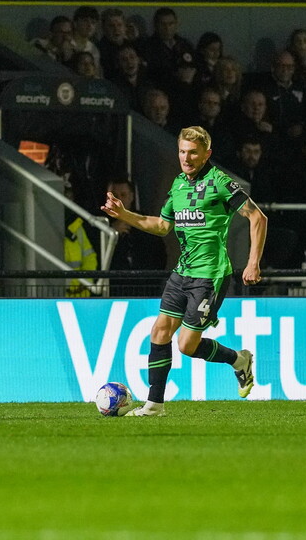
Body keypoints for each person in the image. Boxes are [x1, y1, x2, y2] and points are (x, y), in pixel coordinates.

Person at [100, 125, 266, 416]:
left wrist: (253, 262)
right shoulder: (178, 185)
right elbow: (162, 226)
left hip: (210, 275)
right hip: (182, 272)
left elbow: (257, 217)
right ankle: (154, 405)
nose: (186, 158)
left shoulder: (220, 182)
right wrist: (125, 214)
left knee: (187, 345)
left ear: (207, 154)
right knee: (159, 331)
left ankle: (239, 360)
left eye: (193, 153)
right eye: (182, 152)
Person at [104, 176, 167, 297]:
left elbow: (160, 255)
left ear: (132, 197)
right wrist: (111, 232)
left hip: (145, 288)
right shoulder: (102, 223)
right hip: (113, 289)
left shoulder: (145, 221)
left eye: (123, 195)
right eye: (115, 196)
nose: (119, 200)